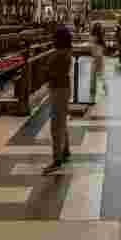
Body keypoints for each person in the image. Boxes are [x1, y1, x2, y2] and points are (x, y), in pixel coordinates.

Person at [43, 25, 73, 173]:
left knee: (56, 125)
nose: (52, 39)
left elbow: (53, 73)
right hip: (63, 89)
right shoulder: (66, 52)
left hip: (58, 90)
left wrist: (47, 70)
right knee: (62, 120)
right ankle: (66, 149)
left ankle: (57, 159)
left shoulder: (59, 54)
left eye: (54, 37)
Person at [89, 22, 108, 102]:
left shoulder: (95, 37)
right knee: (99, 74)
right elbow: (104, 47)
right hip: (98, 57)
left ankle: (93, 92)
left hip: (96, 57)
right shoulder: (100, 37)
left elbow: (91, 45)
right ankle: (104, 87)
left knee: (94, 75)